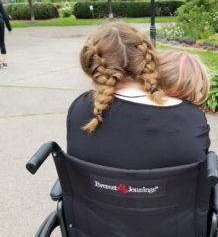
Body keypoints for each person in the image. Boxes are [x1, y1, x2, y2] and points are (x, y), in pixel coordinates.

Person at [67, 22, 210, 170]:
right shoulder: (191, 120)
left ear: (90, 65)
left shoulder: (79, 109)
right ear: (147, 56)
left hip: (91, 193)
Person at [0, 0, 12, 68]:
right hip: (0, 22)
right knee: (2, 42)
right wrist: (9, 28)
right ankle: (4, 63)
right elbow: (4, 14)